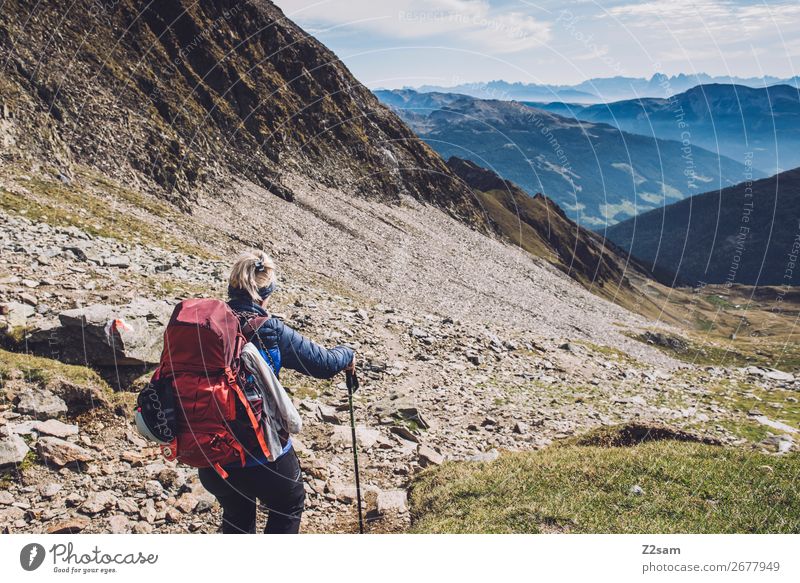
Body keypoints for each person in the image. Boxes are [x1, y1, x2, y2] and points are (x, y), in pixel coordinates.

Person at [198, 249, 355, 534]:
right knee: (288, 505)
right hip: (262, 454)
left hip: (212, 455)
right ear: (266, 293)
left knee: (236, 514)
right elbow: (324, 364)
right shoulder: (268, 330)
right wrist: (349, 352)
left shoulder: (204, 328)